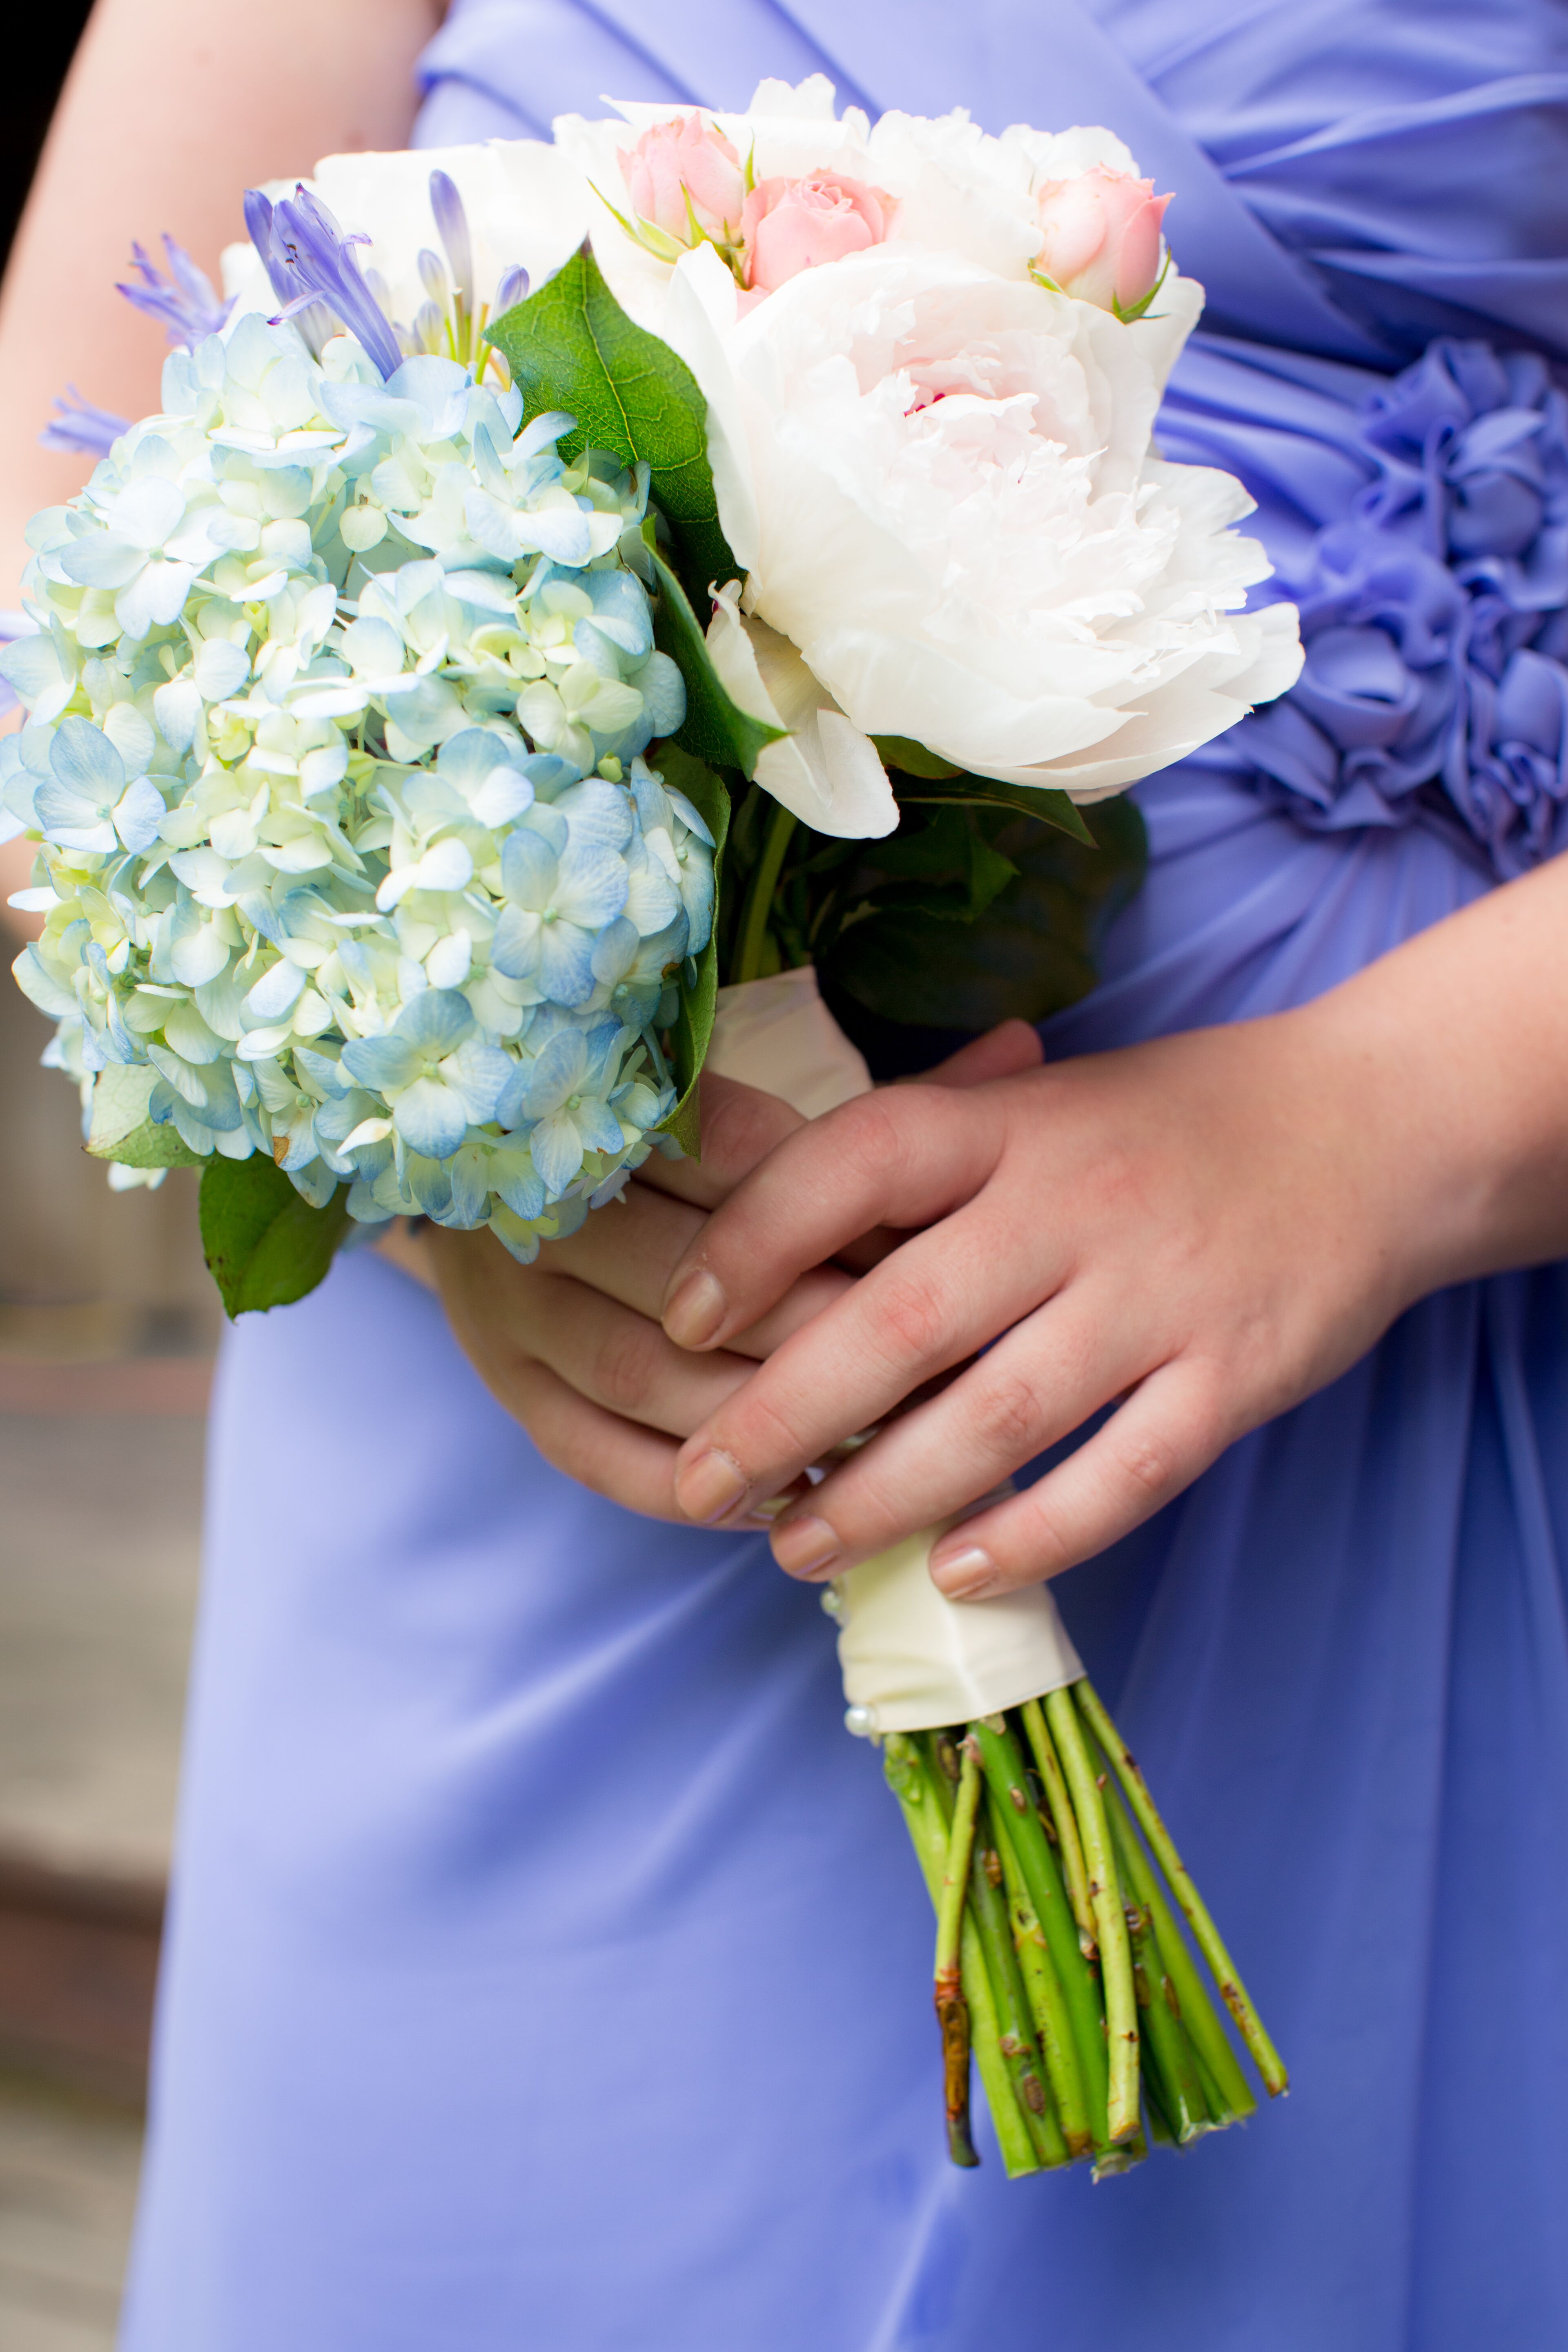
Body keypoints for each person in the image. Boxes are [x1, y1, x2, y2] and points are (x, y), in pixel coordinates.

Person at [4, 0, 1568, 2343]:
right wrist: (429, 1130)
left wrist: (1371, 1139)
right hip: (552, 1457)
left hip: (1360, 1395)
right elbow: (51, 547)